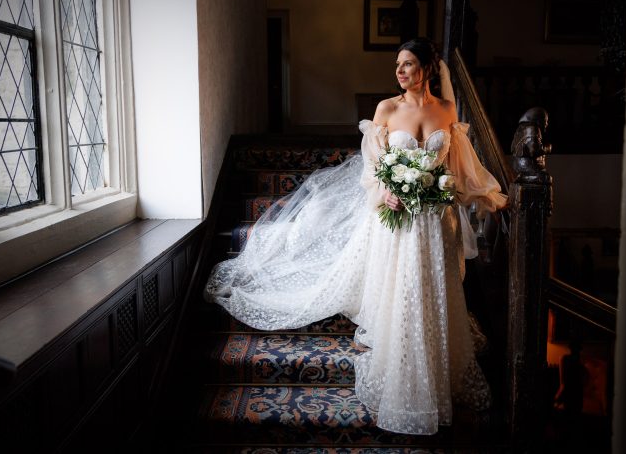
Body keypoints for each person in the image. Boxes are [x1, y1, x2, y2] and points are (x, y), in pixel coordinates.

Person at [205, 38, 507, 435]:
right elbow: (375, 166)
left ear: (428, 69)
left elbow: (457, 165)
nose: (400, 71)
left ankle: (435, 365)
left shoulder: (447, 109)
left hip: (435, 221)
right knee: (402, 289)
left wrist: (482, 194)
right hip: (398, 219)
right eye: (398, 64)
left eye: (409, 64)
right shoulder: (386, 109)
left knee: (432, 289)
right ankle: (400, 360)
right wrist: (386, 191)